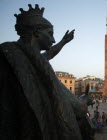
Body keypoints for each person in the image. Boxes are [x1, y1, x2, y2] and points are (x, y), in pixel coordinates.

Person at [0, 4, 94, 140]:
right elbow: (78, 109)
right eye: (50, 34)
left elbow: (50, 52)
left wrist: (64, 41)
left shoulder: (34, 59)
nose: (53, 39)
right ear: (37, 32)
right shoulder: (15, 56)